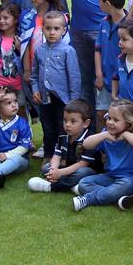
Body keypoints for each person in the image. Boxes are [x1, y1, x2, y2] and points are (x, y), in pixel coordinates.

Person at [71, 99, 133, 211]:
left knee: (118, 188)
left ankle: (88, 199)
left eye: (116, 120)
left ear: (129, 122)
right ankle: (120, 197)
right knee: (84, 183)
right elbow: (86, 144)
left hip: (132, 179)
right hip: (110, 176)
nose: (110, 122)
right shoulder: (107, 134)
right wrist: (104, 135)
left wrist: (125, 134)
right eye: (109, 118)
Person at [32, 10, 81, 156]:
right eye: (48, 28)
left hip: (63, 99)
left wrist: (73, 101)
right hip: (45, 97)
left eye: (56, 29)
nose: (52, 32)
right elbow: (34, 75)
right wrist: (35, 89)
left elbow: (74, 77)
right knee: (47, 126)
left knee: (64, 128)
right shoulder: (39, 50)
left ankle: (65, 156)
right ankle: (48, 155)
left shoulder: (68, 51)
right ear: (43, 29)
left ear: (64, 30)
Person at [27, 99, 97, 194]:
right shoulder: (63, 136)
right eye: (65, 120)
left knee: (84, 172)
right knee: (46, 167)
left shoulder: (89, 139)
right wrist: (53, 170)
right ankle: (72, 185)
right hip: (67, 168)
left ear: (85, 123)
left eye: (73, 121)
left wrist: (60, 173)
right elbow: (56, 156)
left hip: (84, 170)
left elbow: (82, 164)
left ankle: (51, 187)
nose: (67, 125)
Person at [0, 89, 34, 190]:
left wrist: (7, 155)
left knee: (16, 160)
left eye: (15, 101)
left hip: (18, 159)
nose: (14, 105)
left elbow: (24, 147)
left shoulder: (22, 123)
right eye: (8, 103)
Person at [93, 0, 128, 129]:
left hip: (123, 80)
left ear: (107, 3)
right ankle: (102, 149)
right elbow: (97, 50)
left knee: (123, 115)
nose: (98, 3)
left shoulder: (130, 24)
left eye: (99, 1)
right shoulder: (103, 23)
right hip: (105, 79)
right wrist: (99, 74)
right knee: (101, 113)